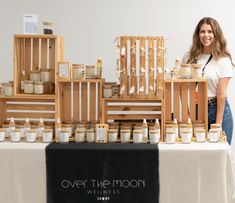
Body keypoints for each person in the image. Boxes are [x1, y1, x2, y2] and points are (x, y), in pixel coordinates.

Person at [182, 17, 234, 144]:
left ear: (216, 34)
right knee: (197, 152)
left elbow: (221, 94)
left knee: (220, 154)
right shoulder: (189, 57)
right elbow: (184, 88)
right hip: (196, 109)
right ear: (197, 34)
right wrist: (186, 114)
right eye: (202, 31)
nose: (206, 35)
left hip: (218, 110)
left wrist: (218, 123)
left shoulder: (223, 60)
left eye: (210, 31)